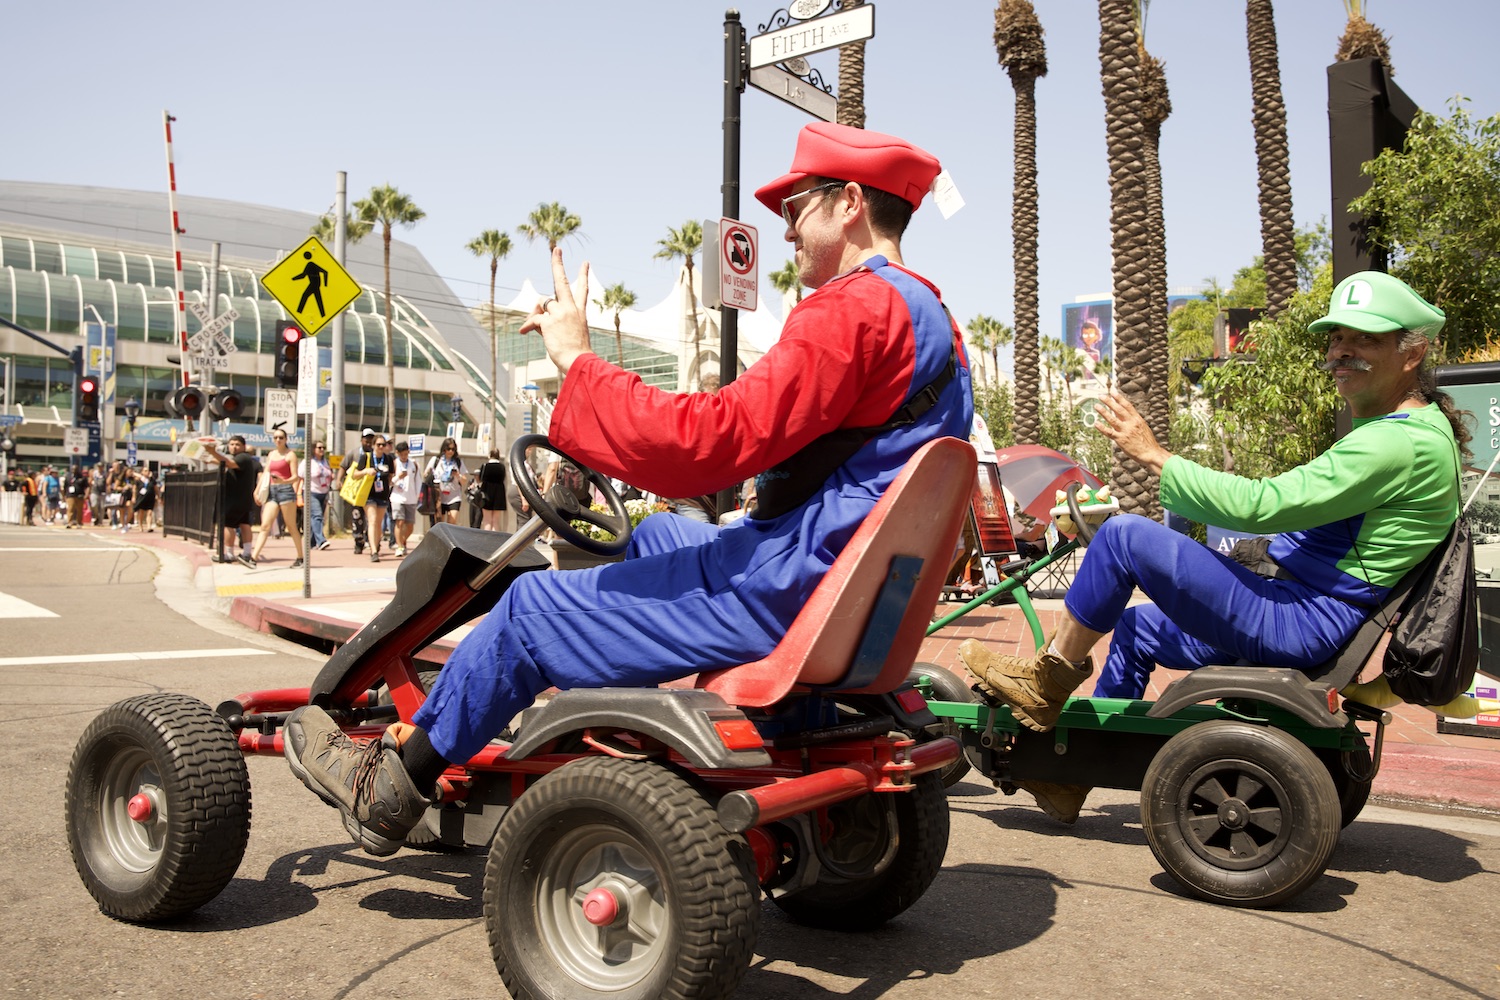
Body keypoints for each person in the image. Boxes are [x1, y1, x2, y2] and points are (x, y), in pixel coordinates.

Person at [281, 121, 974, 857]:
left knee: (526, 611)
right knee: (651, 534)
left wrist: (579, 362)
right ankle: (599, 699)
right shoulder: (936, 322)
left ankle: (393, 783)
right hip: (836, 579)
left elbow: (706, 444)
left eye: (797, 206)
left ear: (850, 204)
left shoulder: (852, 310)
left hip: (786, 585)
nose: (788, 228)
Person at [959, 271, 1466, 824]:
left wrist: (1154, 456)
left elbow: (1262, 504)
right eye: (1336, 338)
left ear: (1411, 353)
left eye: (1364, 339)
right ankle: (1074, 771)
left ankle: (1045, 682)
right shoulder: (1422, 431)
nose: (1341, 351)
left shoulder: (1394, 442)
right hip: (1304, 610)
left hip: (1298, 619)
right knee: (1134, 630)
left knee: (1126, 536)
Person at [202, 435, 260, 567]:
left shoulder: (242, 457)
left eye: (237, 444)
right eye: (232, 444)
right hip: (242, 498)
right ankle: (246, 553)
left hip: (236, 499)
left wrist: (212, 452)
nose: (234, 447)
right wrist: (211, 459)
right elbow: (226, 462)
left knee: (228, 525)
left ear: (244, 447)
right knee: (244, 524)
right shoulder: (243, 458)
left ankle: (228, 553)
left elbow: (229, 463)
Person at [250, 430, 305, 567]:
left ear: (286, 439)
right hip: (272, 492)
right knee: (265, 526)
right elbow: (265, 473)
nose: (278, 440)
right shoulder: (271, 454)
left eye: (281, 437)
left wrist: (283, 481)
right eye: (275, 437)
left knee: (291, 526)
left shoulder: (290, 455)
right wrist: (256, 491)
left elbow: (295, 477)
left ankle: (300, 557)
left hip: (286, 491)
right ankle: (253, 558)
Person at [338, 429, 378, 556]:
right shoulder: (354, 453)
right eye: (366, 440)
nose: (368, 443)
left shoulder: (374, 454)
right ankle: (358, 541)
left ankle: (371, 541)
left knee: (371, 519)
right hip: (356, 491)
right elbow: (343, 466)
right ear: (361, 440)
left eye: (370, 441)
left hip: (371, 492)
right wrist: (339, 479)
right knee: (357, 517)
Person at [359, 434, 394, 563]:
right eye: (378, 444)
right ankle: (373, 551)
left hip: (382, 494)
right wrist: (365, 471)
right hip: (369, 494)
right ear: (373, 445)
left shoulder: (388, 459)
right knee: (372, 521)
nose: (381, 447)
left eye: (383, 445)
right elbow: (355, 474)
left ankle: (376, 544)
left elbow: (390, 475)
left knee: (379, 523)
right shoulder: (366, 457)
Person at [423, 437, 468, 525]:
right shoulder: (436, 460)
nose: (451, 451)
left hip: (454, 496)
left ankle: (449, 538)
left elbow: (464, 480)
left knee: (452, 520)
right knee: (440, 523)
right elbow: (425, 474)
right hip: (439, 496)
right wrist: (432, 476)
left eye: (453, 449)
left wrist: (457, 475)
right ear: (444, 449)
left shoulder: (458, 462)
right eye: (448, 449)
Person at [388, 440, 420, 556]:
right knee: (399, 522)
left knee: (410, 526)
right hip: (397, 497)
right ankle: (400, 546)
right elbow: (389, 482)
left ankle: (401, 540)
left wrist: (417, 496)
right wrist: (398, 477)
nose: (404, 456)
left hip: (411, 498)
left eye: (406, 454)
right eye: (401, 454)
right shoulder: (394, 463)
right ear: (397, 453)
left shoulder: (414, 464)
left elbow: (418, 481)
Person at [303, 440, 334, 550]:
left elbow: (329, 474)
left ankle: (310, 543)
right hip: (311, 492)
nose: (322, 449)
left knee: (316, 518)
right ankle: (321, 540)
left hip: (323, 492)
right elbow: (300, 475)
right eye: (319, 447)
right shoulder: (308, 462)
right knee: (317, 515)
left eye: (323, 447)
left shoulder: (325, 462)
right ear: (313, 449)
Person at [477, 448, 508, 532]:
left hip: (486, 492)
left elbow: (480, 478)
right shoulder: (502, 467)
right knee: (496, 520)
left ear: (489, 455)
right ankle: (495, 541)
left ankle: (486, 540)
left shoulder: (485, 466)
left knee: (487, 520)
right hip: (499, 493)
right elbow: (503, 478)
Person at [131, 466, 158, 532]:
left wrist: (158, 495)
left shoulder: (152, 479)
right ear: (142, 472)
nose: (147, 472)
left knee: (149, 512)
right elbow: (134, 489)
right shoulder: (139, 480)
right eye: (145, 471)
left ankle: (149, 526)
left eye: (148, 471)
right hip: (142, 498)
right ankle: (140, 525)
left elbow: (155, 488)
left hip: (150, 497)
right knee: (141, 512)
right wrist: (133, 497)